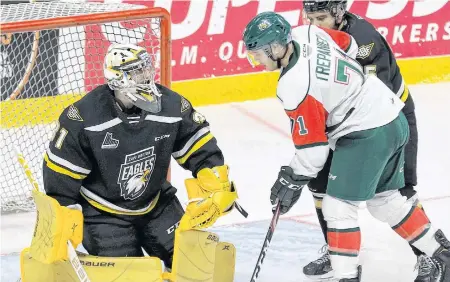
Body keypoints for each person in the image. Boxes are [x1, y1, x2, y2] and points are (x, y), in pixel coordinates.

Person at [242, 11, 450, 282]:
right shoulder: (309, 33)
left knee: (338, 209)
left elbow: (314, 153)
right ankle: (444, 257)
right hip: (390, 114)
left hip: (366, 132)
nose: (255, 60)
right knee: (385, 202)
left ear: (275, 47)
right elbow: (351, 47)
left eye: (257, 53)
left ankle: (347, 277)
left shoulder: (293, 86)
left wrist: (290, 178)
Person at [42, 43, 241, 275]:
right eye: (137, 72)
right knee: (130, 277)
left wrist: (215, 183)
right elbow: (60, 177)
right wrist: (65, 214)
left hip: (156, 204)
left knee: (195, 264)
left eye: (146, 70)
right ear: (118, 79)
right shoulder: (84, 118)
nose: (146, 77)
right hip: (103, 215)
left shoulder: (172, 106)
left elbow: (199, 145)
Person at [301, 1, 428, 280]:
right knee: (320, 185)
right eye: (309, 18)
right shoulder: (313, 36)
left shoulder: (364, 40)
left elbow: (375, 101)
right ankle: (336, 251)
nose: (315, 24)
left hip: (388, 120)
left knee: (399, 191)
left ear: (338, 12)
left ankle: (430, 255)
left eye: (321, 17)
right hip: (344, 126)